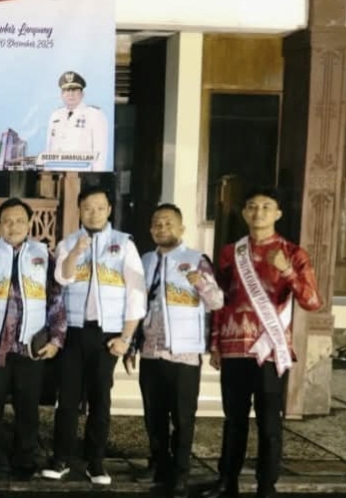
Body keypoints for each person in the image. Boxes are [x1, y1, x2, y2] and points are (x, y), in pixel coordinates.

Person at [202, 188, 322, 498]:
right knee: (234, 421)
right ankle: (227, 482)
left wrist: (287, 271)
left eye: (266, 207)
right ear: (244, 212)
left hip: (269, 350)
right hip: (233, 347)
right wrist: (215, 343)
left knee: (269, 425)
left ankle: (267, 486)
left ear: (278, 213)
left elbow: (312, 301)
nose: (258, 212)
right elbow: (220, 300)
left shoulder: (293, 253)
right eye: (252, 206)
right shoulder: (231, 252)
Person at [44, 186, 145, 485]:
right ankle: (61, 458)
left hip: (107, 335)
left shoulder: (124, 244)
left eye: (100, 207)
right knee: (68, 398)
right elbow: (62, 278)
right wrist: (76, 252)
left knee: (100, 399)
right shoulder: (68, 243)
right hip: (73, 332)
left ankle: (96, 462)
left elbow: (136, 293)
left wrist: (126, 337)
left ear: (109, 210)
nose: (94, 213)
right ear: (79, 209)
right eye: (88, 207)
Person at [126, 204, 225, 498]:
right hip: (150, 350)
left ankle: (181, 472)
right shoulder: (144, 261)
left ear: (181, 228)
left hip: (184, 353)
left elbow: (217, 302)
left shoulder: (197, 261)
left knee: (183, 417)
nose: (162, 228)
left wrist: (202, 285)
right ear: (151, 229)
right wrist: (131, 344)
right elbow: (135, 305)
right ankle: (158, 464)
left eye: (169, 223)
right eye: (157, 224)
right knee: (153, 414)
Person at [0, 197, 67, 481]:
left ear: (29, 224)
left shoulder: (43, 254)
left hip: (30, 345)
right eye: (8, 221)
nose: (14, 226)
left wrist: (56, 339)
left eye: (20, 221)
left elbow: (55, 298)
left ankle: (24, 461)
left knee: (27, 408)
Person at [42, 71, 110, 171]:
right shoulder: (55, 116)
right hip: (57, 172)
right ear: (62, 94)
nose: (70, 94)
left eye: (74, 89)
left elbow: (100, 152)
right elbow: (49, 149)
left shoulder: (95, 115)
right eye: (66, 90)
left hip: (82, 173)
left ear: (82, 94)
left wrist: (96, 175)